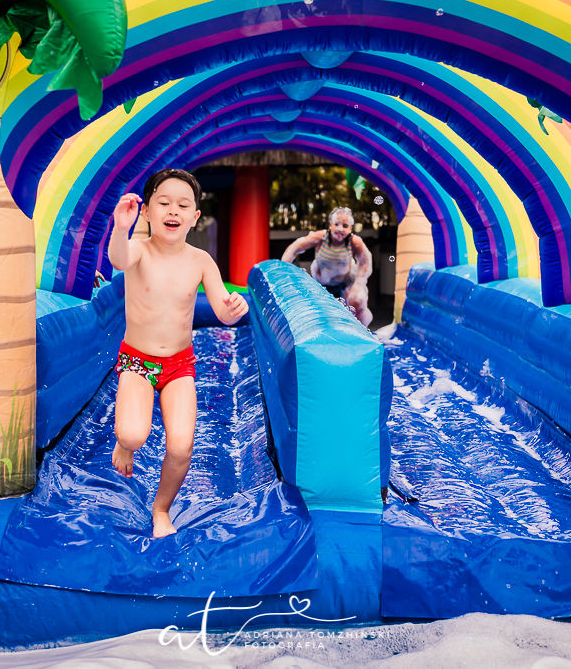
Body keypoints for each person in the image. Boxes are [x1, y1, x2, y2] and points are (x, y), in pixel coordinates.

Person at [108, 168, 249, 538]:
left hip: (179, 364)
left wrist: (233, 308)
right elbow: (118, 260)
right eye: (164, 202)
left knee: (183, 446)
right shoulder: (139, 250)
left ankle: (161, 510)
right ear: (148, 212)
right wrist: (121, 229)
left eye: (183, 205)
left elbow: (220, 309)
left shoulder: (201, 260)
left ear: (195, 216)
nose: (173, 210)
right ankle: (125, 444)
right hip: (137, 362)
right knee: (135, 434)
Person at [281, 206, 373, 326]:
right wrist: (284, 269)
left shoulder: (354, 242)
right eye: (337, 224)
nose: (340, 229)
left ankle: (360, 329)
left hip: (344, 280)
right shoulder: (321, 237)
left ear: (351, 228)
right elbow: (295, 247)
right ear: (330, 224)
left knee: (357, 300)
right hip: (321, 281)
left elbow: (365, 262)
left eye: (345, 226)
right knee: (320, 313)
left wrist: (358, 284)